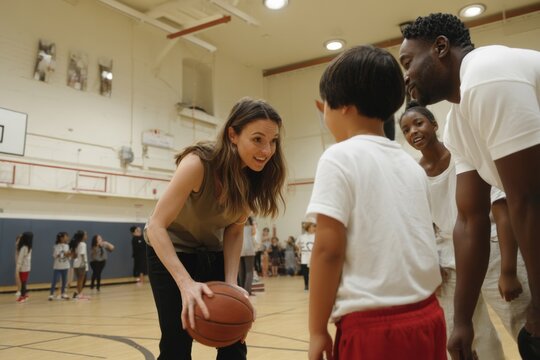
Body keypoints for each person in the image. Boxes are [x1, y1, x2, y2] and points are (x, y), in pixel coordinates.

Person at [399, 13, 540, 359]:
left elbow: (527, 199)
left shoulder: (485, 74)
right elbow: (470, 219)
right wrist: (462, 321)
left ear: (441, 48)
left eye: (408, 62)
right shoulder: (458, 121)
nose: (406, 76)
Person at [307, 45, 444, 360]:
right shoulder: (413, 166)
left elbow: (327, 250)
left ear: (342, 106)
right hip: (429, 316)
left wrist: (316, 331)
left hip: (373, 329)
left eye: (323, 105)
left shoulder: (337, 157)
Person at [144, 97, 287, 359]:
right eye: (257, 139)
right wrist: (185, 284)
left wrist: (231, 283)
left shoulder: (254, 176)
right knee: (177, 339)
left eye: (273, 141)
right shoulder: (198, 164)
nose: (267, 150)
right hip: (170, 249)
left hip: (212, 251)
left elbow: (234, 229)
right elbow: (155, 226)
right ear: (233, 134)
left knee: (234, 335)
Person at [399, 102, 530, 358]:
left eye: (418, 123)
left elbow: (501, 210)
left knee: (521, 322)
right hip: (449, 262)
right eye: (405, 129)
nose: (413, 131)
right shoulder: (414, 174)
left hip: (491, 249)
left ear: (434, 124)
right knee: (468, 337)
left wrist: (508, 270)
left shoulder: (464, 154)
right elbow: (421, 226)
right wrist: (430, 262)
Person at [48, 232, 71, 300]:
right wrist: (63, 254)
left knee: (64, 280)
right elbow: (55, 255)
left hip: (65, 265)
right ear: (61, 238)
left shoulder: (67, 246)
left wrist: (69, 254)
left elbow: (69, 257)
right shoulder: (56, 246)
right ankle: (51, 294)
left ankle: (63, 293)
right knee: (55, 280)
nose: (67, 238)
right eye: (66, 236)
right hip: (57, 266)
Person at [238, 216, 256, 295]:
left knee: (241, 271)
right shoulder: (251, 227)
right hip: (249, 249)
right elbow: (254, 233)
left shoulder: (238, 226)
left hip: (240, 249)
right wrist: (254, 223)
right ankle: (247, 291)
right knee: (249, 271)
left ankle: (242, 291)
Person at [70, 230, 90, 300]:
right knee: (81, 280)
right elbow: (82, 255)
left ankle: (78, 294)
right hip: (81, 265)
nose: (86, 236)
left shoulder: (76, 244)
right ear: (82, 236)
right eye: (85, 235)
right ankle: (79, 294)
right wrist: (84, 264)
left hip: (75, 264)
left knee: (79, 280)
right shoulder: (83, 244)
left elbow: (73, 256)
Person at [296, 219, 315, 291]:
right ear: (309, 227)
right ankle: (306, 285)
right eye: (313, 226)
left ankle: (314, 286)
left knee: (314, 273)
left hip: (313, 257)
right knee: (305, 272)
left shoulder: (317, 235)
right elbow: (296, 244)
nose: (314, 228)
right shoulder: (302, 236)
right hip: (304, 257)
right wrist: (300, 249)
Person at [16, 232, 33, 303]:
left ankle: (22, 296)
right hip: (27, 267)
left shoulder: (24, 248)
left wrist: (18, 267)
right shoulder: (29, 247)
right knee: (24, 281)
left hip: (23, 268)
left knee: (23, 282)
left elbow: (20, 258)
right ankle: (25, 295)